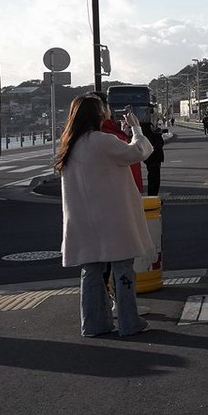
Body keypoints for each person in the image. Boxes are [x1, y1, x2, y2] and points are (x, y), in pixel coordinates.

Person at [55, 94, 154, 337]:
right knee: (123, 266)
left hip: (82, 219)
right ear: (97, 115)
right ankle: (130, 322)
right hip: (112, 215)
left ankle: (93, 324)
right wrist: (135, 129)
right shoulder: (101, 140)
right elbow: (138, 152)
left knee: (91, 270)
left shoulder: (70, 144)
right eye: (104, 110)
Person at [141, 119, 165, 196]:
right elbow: (159, 145)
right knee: (154, 180)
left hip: (153, 159)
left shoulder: (149, 134)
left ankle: (153, 195)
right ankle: (152, 196)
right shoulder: (149, 136)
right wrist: (158, 135)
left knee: (154, 179)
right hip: (153, 159)